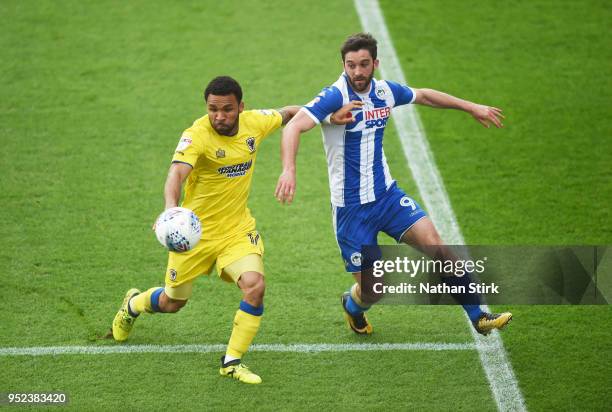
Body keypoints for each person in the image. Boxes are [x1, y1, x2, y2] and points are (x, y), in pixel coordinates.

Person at [274, 33, 512, 336]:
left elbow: (423, 95)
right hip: (352, 211)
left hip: (387, 197)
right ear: (343, 65)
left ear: (375, 63)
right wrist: (289, 170)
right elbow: (294, 125)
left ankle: (479, 315)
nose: (357, 72)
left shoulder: (385, 92)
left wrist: (470, 107)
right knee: (373, 291)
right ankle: (352, 306)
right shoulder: (334, 96)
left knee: (439, 248)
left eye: (363, 64)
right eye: (351, 65)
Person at [110, 76, 301, 384]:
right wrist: (171, 210)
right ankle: (133, 304)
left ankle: (232, 361)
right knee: (173, 303)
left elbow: (291, 113)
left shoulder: (255, 123)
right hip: (193, 236)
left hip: (236, 230)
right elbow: (176, 174)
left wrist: (330, 113)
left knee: (255, 285)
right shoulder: (196, 135)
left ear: (241, 107)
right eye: (213, 109)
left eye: (227, 110)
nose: (219, 117)